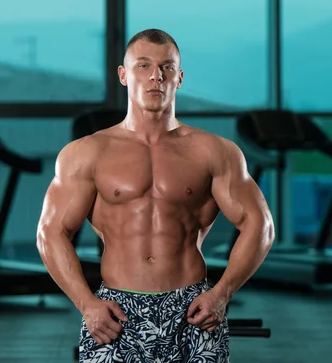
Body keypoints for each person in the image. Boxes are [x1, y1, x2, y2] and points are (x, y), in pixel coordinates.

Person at [36, 28, 275, 363]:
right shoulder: (87, 153)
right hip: (115, 313)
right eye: (143, 65)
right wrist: (86, 304)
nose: (155, 77)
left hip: (193, 308)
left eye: (166, 67)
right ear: (123, 74)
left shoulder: (215, 152)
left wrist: (222, 294)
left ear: (179, 77)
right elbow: (50, 232)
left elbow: (260, 225)